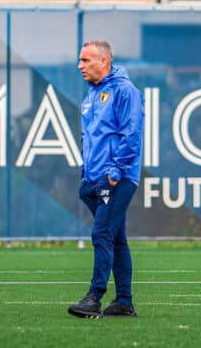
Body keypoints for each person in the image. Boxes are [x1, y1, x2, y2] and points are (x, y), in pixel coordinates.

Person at [68, 40, 143, 319]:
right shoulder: (91, 96)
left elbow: (131, 134)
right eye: (80, 60)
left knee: (101, 233)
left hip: (117, 178)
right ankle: (124, 302)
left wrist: (114, 173)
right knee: (116, 239)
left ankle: (94, 298)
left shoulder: (125, 91)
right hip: (94, 180)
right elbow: (89, 140)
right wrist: (86, 176)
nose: (80, 66)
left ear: (104, 61)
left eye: (86, 60)